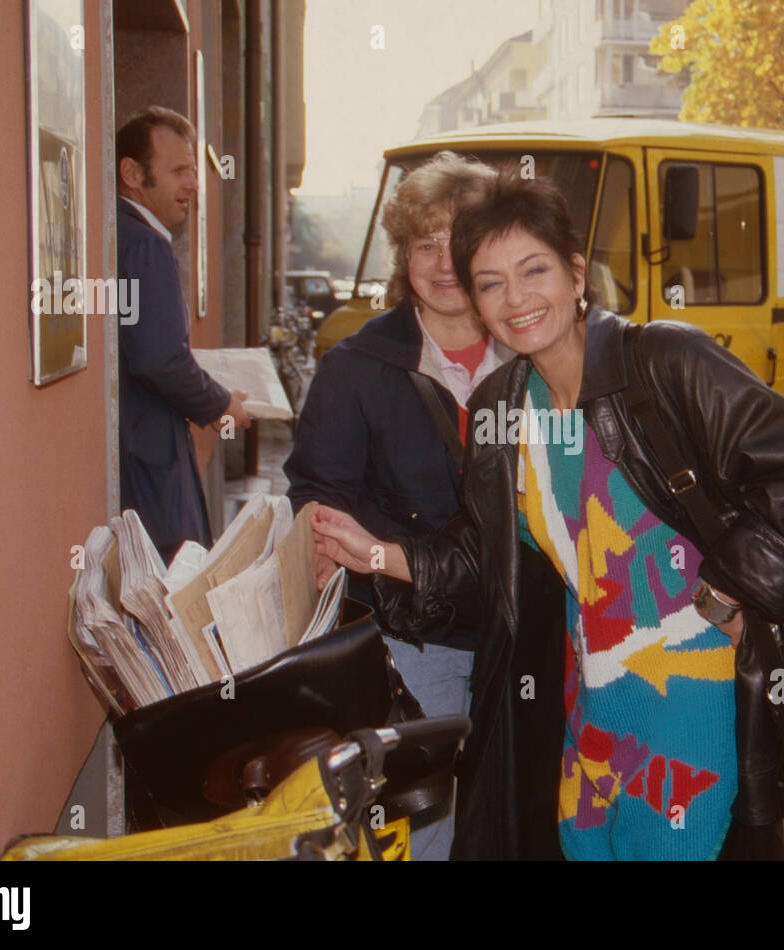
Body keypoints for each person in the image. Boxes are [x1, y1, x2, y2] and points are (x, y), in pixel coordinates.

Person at [312, 169, 784, 860]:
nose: (515, 298)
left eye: (533, 270)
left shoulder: (664, 361)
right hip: (589, 704)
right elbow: (488, 550)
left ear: (577, 274)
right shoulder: (503, 406)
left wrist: (727, 590)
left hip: (689, 699)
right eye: (491, 283)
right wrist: (372, 553)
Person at [283, 151, 510, 860]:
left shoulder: (533, 352)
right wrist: (329, 543)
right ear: (402, 257)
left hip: (527, 635)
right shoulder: (356, 367)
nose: (444, 263)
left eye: (461, 241)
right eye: (425, 244)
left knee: (517, 820)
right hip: (420, 644)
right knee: (424, 829)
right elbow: (319, 496)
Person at [115, 106, 249, 563]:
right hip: (150, 467)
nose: (193, 184)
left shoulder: (116, 231)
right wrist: (219, 404)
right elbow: (158, 359)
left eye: (194, 171)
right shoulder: (145, 244)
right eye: (178, 171)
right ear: (132, 173)